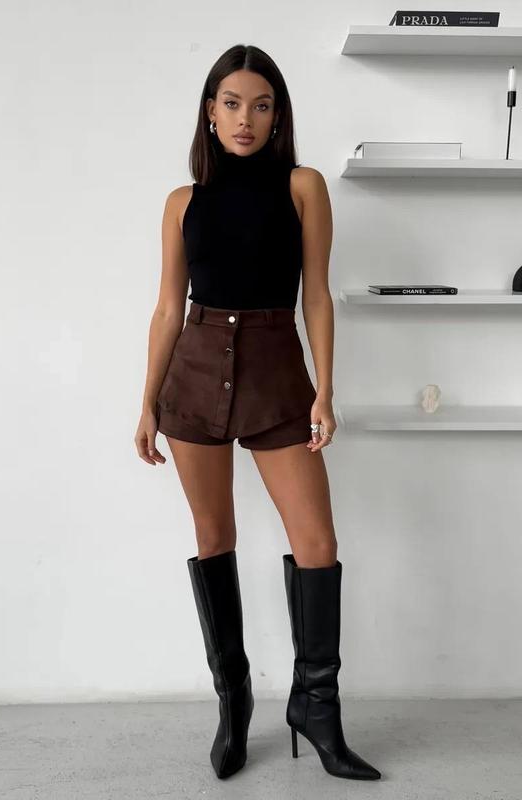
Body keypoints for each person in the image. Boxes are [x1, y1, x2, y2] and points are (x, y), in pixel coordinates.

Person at [135, 43, 381, 782]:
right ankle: (234, 699)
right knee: (214, 536)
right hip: (195, 370)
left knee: (317, 542)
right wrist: (146, 402)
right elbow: (167, 308)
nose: (247, 118)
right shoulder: (182, 202)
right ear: (210, 113)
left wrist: (324, 390)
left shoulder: (303, 186)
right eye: (233, 103)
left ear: (279, 117)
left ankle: (316, 707)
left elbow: (316, 296)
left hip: (276, 371)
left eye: (262, 105)